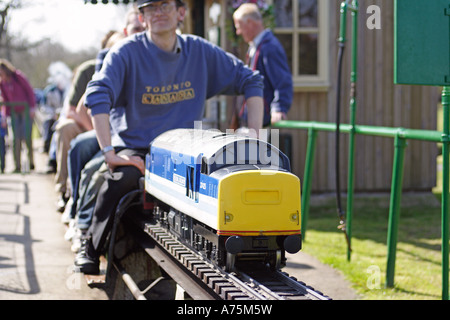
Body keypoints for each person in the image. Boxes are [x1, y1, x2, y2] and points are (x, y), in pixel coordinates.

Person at [74, 0, 264, 274]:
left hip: (185, 151)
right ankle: (90, 247)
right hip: (139, 149)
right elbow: (97, 94)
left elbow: (251, 80)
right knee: (117, 180)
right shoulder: (125, 52)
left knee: (226, 183)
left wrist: (255, 138)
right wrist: (109, 153)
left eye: (165, 5)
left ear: (181, 13)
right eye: (151, 8)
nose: (159, 12)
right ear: (143, 16)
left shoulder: (199, 51)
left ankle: (238, 257)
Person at [231, 3, 293, 129]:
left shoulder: (269, 48)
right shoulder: (255, 47)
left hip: (261, 121)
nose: (238, 32)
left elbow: (283, 81)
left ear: (249, 23)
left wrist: (279, 108)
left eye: (239, 26)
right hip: (251, 120)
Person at [0, 59, 36, 173]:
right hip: (14, 112)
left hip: (25, 110)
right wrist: (4, 116)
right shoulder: (2, 83)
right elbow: (5, 100)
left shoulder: (18, 76)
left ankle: (30, 163)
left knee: (26, 136)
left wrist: (32, 108)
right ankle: (17, 166)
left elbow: (30, 91)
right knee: (15, 139)